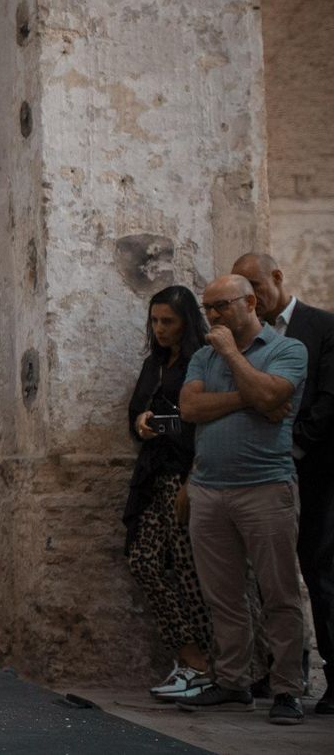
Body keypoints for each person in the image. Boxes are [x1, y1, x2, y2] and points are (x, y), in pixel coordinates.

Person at [177, 274, 308, 725]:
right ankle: (232, 682)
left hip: (266, 488)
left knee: (280, 594)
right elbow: (191, 409)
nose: (212, 316)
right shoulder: (201, 356)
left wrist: (234, 356)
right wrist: (248, 398)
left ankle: (288, 688)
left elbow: (274, 394)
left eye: (221, 306)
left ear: (251, 302)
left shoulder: (287, 350)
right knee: (224, 596)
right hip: (210, 491)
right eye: (207, 309)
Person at [234, 252, 334, 714]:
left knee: (320, 572)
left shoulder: (323, 327)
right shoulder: (246, 338)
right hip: (261, 477)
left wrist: (292, 448)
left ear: (277, 277)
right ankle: (282, 672)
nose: (252, 298)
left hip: (314, 473)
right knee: (271, 579)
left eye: (256, 285)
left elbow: (328, 401)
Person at [124, 286, 214, 699]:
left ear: (186, 322)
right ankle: (191, 656)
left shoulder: (202, 363)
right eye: (155, 321)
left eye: (168, 322)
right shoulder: (154, 364)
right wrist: (143, 419)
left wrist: (158, 424)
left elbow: (197, 422)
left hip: (186, 476)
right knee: (144, 561)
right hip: (153, 477)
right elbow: (137, 415)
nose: (159, 329)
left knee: (190, 570)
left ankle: (209, 666)